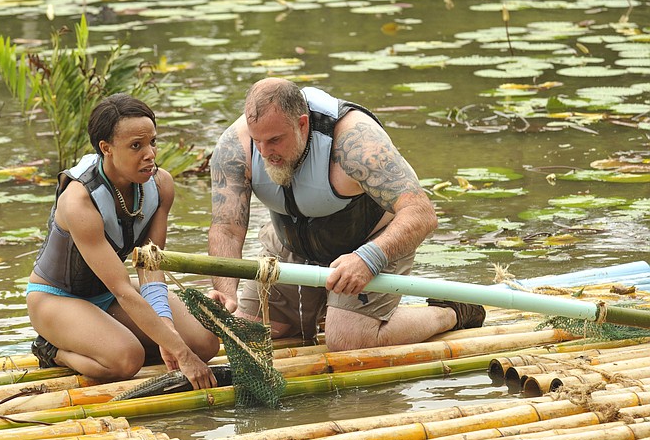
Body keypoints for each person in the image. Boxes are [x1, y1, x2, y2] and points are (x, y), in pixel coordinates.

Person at [207, 78, 485, 351]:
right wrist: (226, 290)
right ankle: (322, 308)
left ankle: (452, 312)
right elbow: (227, 228)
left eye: (275, 140)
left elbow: (422, 214)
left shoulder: (356, 142)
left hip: (368, 243)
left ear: (302, 124)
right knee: (252, 332)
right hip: (289, 242)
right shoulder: (234, 148)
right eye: (258, 141)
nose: (265, 152)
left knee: (347, 340)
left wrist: (369, 259)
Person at [26, 93, 219, 387]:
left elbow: (151, 269)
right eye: (136, 146)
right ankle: (54, 350)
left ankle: (112, 336)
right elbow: (124, 291)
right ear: (107, 149)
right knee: (126, 360)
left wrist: (170, 334)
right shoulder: (79, 201)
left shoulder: (160, 185)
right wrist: (178, 350)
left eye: (153, 142)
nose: (150, 154)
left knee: (204, 346)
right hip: (57, 298)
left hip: (107, 294)